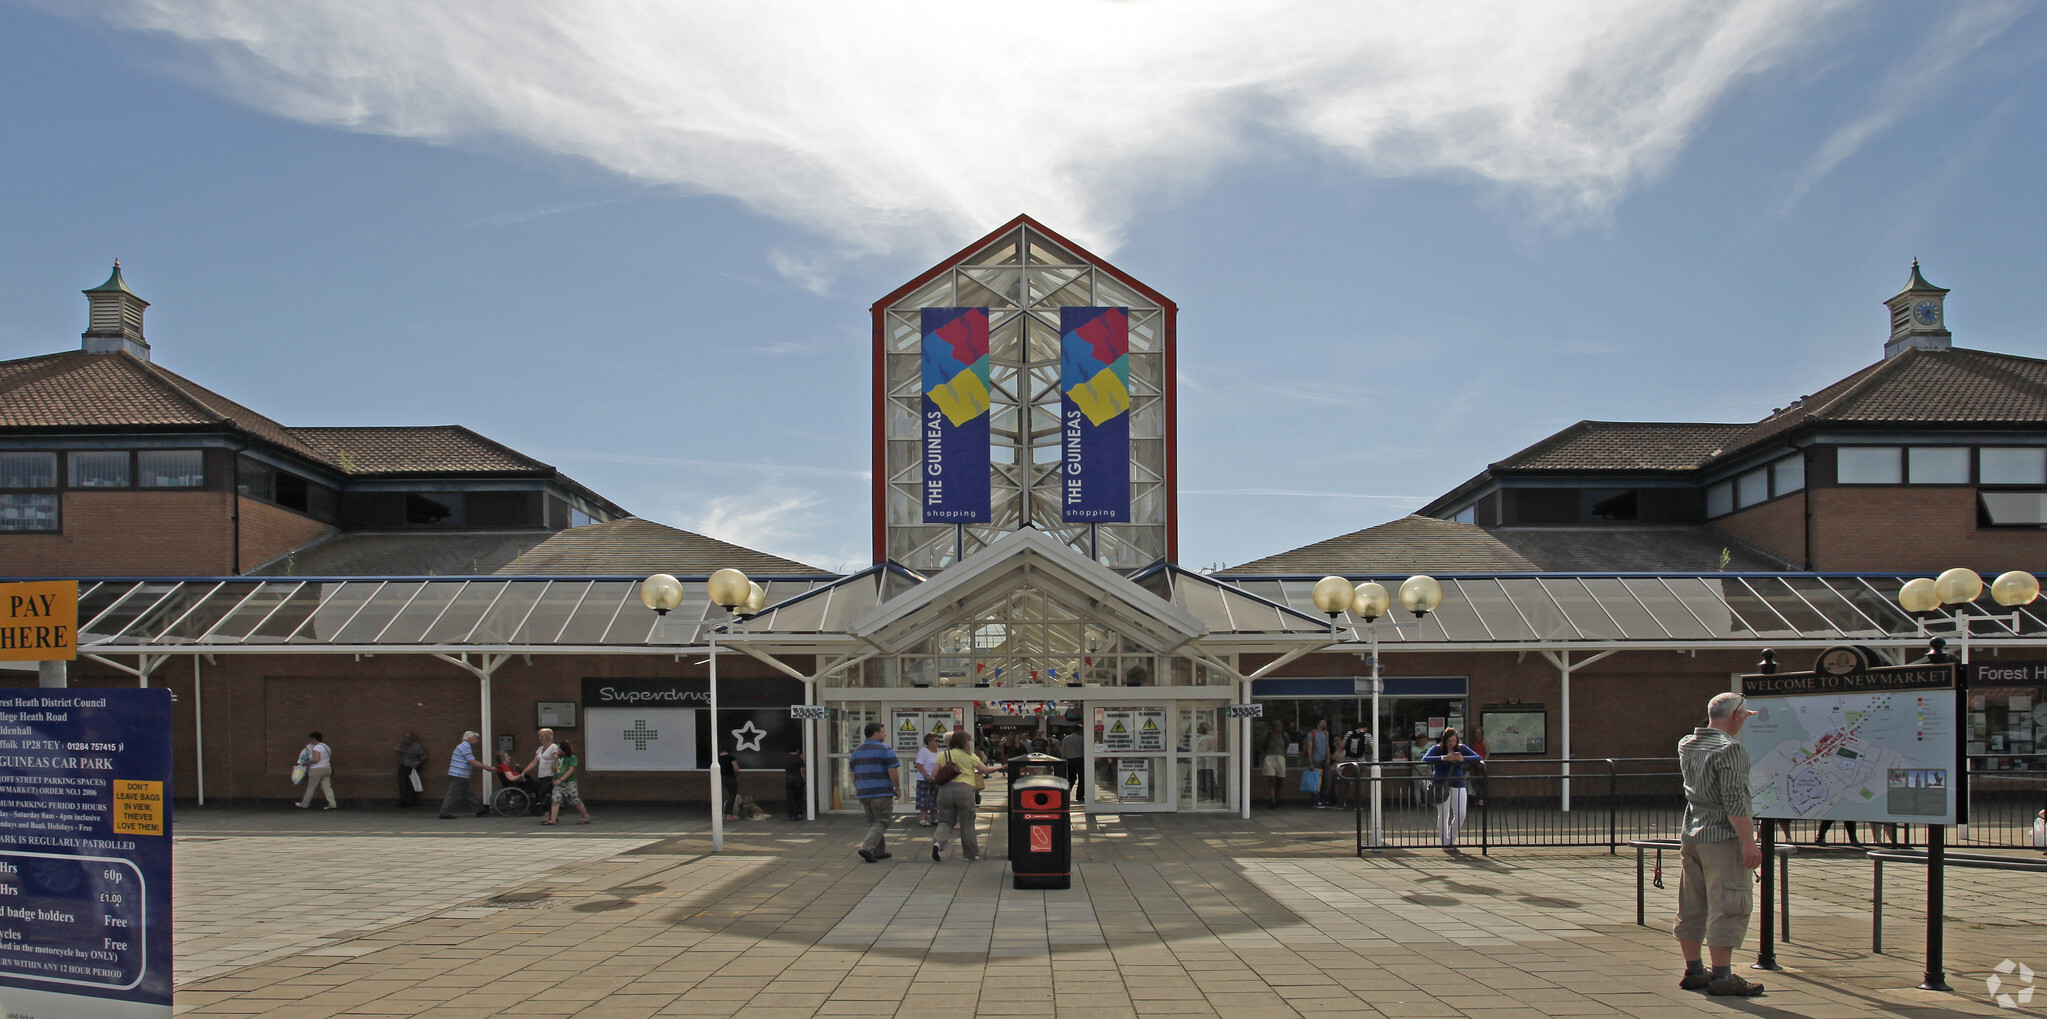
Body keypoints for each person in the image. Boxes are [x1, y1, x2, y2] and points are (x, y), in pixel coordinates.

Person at [1672, 692, 1766, 997]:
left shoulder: (1687, 743)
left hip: (1692, 831)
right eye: (1745, 715)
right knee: (1729, 903)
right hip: (1722, 837)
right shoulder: (1730, 750)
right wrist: (1749, 843)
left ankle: (1694, 970)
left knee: (1692, 902)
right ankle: (1723, 976)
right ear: (1737, 716)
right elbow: (1735, 800)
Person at [930, 731, 1001, 862]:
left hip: (945, 790)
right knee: (967, 823)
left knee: (945, 820)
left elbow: (934, 773)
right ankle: (971, 855)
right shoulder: (970, 756)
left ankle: (938, 844)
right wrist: (1002, 768)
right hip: (964, 790)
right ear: (964, 743)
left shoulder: (943, 754)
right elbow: (985, 770)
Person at [1421, 727, 1482, 851]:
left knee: (1461, 814)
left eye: (1454, 741)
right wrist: (1443, 758)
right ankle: (1445, 842)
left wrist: (1462, 758)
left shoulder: (1461, 748)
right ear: (1444, 740)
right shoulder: (1436, 749)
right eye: (1449, 741)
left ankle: (1452, 839)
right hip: (1440, 784)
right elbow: (1425, 759)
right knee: (1443, 814)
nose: (1452, 744)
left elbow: (1477, 757)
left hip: (1458, 783)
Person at [850, 722, 901, 862]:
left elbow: (852, 773)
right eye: (883, 732)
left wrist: (859, 787)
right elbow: (893, 772)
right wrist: (897, 788)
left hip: (863, 792)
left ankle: (878, 851)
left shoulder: (857, 751)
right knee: (882, 821)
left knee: (874, 822)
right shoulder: (885, 750)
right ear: (875, 733)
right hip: (880, 792)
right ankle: (867, 848)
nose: (885, 734)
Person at [439, 730, 491, 819]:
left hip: (460, 774)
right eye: (475, 738)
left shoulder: (463, 746)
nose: (477, 741)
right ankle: (444, 812)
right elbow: (472, 761)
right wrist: (487, 768)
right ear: (469, 738)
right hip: (459, 774)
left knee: (468, 793)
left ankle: (479, 809)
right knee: (453, 794)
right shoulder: (465, 747)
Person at [543, 739, 590, 825]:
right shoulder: (559, 758)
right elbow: (553, 769)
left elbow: (571, 770)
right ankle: (553, 819)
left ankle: (585, 815)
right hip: (559, 783)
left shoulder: (572, 758)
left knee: (574, 799)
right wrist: (555, 760)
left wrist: (561, 779)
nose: (558, 751)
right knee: (555, 798)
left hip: (569, 782)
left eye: (559, 749)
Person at [519, 728, 558, 819]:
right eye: (539, 736)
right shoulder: (540, 749)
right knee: (541, 794)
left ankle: (547, 814)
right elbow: (534, 762)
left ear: (548, 737)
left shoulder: (553, 747)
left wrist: (555, 772)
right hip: (542, 775)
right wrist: (524, 771)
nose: (540, 738)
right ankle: (549, 814)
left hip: (550, 775)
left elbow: (557, 759)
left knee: (544, 793)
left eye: (542, 736)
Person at [1336, 720, 1374, 807]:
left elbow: (1342, 746)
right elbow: (1373, 749)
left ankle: (1341, 803)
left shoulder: (1349, 733)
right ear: (1366, 728)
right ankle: (1358, 804)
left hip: (1349, 763)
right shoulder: (1367, 735)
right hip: (1361, 764)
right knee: (1360, 785)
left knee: (1344, 783)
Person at [296, 732, 337, 809]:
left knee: (311, 787)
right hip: (327, 768)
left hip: (317, 769)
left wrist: (305, 763)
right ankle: (332, 804)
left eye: (311, 739)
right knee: (327, 787)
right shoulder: (326, 747)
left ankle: (305, 803)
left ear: (314, 738)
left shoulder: (317, 747)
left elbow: (316, 759)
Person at [914, 732, 942, 827]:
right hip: (924, 779)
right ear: (929, 742)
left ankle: (934, 817)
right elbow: (919, 764)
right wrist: (926, 775)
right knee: (924, 798)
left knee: (935, 798)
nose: (938, 743)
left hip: (936, 779)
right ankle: (923, 818)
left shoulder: (939, 751)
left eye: (938, 741)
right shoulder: (924, 751)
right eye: (936, 741)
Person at [394, 731, 427, 808]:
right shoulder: (402, 744)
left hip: (413, 767)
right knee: (402, 784)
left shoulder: (417, 746)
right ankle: (403, 801)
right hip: (403, 765)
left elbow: (424, 756)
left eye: (408, 738)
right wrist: (407, 751)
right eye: (405, 737)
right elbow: (395, 749)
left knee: (412, 785)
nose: (406, 739)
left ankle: (411, 801)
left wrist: (417, 763)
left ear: (412, 738)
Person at [1306, 718, 1332, 808]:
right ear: (1318, 723)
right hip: (1316, 760)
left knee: (1327, 781)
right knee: (1317, 782)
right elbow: (1309, 748)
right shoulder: (1312, 734)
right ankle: (1316, 800)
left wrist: (1328, 758)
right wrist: (1310, 762)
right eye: (1322, 722)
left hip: (1324, 759)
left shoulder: (1326, 733)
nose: (1324, 724)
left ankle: (1324, 799)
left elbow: (1327, 746)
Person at [1261, 724, 1288, 808]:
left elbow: (1287, 743)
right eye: (1278, 726)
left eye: (1281, 726)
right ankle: (1272, 799)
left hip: (1280, 757)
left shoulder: (1284, 735)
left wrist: (1284, 752)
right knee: (1272, 779)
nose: (1280, 728)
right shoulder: (1268, 735)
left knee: (1280, 779)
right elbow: (1259, 744)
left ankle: (1277, 798)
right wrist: (1263, 754)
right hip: (1270, 757)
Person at [1061, 728, 1085, 804]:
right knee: (1082, 778)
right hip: (1080, 758)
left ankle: (1066, 794)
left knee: (1071, 777)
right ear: (1079, 730)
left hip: (1069, 759)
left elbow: (1063, 749)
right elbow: (1084, 748)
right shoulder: (1082, 738)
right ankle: (1080, 796)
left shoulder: (1066, 738)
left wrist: (1064, 757)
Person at [784, 744, 807, 821]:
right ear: (797, 750)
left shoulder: (786, 758)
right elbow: (802, 771)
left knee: (790, 797)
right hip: (798, 779)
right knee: (799, 797)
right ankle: (799, 814)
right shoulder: (799, 759)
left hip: (788, 779)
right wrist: (805, 780)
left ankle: (791, 815)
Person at [718, 745, 740, 821]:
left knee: (728, 794)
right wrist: (737, 774)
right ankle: (729, 814)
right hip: (731, 777)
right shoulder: (731, 758)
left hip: (723, 778)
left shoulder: (718, 759)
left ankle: (724, 814)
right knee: (732, 795)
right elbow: (736, 769)